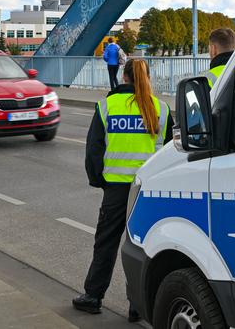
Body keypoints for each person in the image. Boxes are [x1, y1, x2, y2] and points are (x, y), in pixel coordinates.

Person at [73, 58, 173, 321]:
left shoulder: (108, 106)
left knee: (105, 243)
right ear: (147, 78)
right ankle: (136, 307)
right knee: (141, 246)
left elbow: (94, 150)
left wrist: (99, 180)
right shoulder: (160, 109)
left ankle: (93, 297)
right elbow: (171, 152)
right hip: (148, 191)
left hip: (116, 190)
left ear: (124, 77)